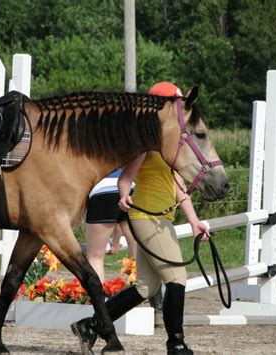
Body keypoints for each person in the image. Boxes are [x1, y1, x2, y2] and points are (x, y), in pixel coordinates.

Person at [72, 82, 210, 355]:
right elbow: (126, 177)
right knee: (177, 278)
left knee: (146, 287)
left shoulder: (173, 143)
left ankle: (90, 325)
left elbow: (179, 186)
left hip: (162, 219)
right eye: (177, 102)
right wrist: (123, 195)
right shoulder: (145, 143)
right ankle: (176, 343)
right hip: (146, 217)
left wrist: (194, 222)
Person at [85, 169, 136, 282]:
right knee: (138, 253)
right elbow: (119, 218)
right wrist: (116, 243)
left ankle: (99, 298)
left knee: (95, 257)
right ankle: (149, 294)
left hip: (102, 189)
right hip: (130, 187)